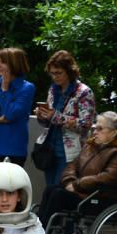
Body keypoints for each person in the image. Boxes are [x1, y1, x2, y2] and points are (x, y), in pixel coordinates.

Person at [38, 112, 117, 228]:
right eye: (95, 127)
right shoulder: (91, 145)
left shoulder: (116, 152)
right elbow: (72, 165)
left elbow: (107, 177)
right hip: (84, 193)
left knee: (58, 195)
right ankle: (39, 233)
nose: (95, 131)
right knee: (50, 189)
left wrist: (77, 185)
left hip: (100, 197)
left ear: (114, 132)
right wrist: (69, 181)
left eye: (100, 129)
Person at [34, 50, 95, 186]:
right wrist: (42, 115)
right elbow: (47, 121)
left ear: (69, 71)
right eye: (52, 73)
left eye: (59, 73)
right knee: (49, 189)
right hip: (49, 147)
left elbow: (86, 124)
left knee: (60, 190)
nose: (55, 77)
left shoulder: (84, 92)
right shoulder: (53, 89)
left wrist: (55, 117)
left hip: (70, 151)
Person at [0, 48, 37, 169]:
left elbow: (10, 114)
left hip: (12, 149)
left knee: (10, 187)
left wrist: (5, 89)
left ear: (15, 64)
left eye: (2, 62)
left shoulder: (27, 88)